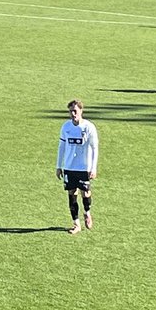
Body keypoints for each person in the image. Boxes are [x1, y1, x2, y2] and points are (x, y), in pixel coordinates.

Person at [55, 99, 99, 235]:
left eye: (75, 111)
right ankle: (76, 224)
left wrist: (93, 167)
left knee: (85, 193)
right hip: (69, 167)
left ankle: (87, 212)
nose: (73, 114)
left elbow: (94, 147)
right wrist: (59, 166)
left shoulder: (89, 127)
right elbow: (62, 147)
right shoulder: (66, 127)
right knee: (71, 194)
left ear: (81, 111)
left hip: (84, 168)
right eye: (70, 111)